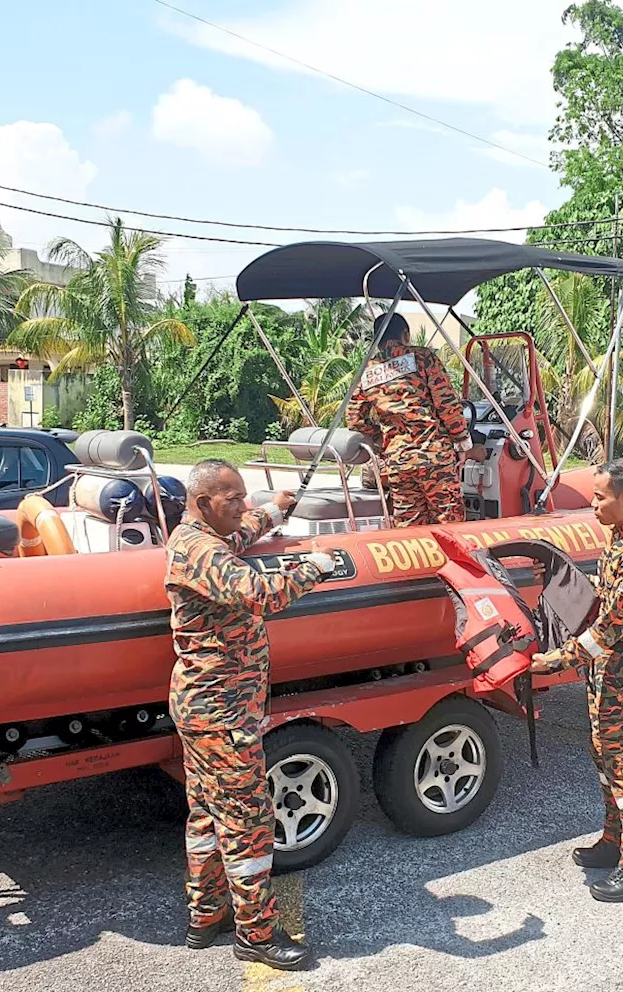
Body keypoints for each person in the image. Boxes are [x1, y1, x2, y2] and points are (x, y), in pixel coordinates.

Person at [166, 458, 338, 971]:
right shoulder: (199, 549)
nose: (241, 505)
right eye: (232, 499)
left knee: (205, 814)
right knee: (248, 823)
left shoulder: (201, 538)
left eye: (244, 496)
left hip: (206, 706)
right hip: (220, 711)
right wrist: (316, 567)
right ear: (202, 504)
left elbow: (236, 537)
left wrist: (271, 511)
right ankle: (257, 936)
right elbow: (260, 593)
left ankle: (206, 915)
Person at [526, 458, 623, 903]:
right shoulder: (620, 541)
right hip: (606, 668)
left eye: (600, 497)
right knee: (603, 755)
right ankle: (615, 842)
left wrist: (554, 661)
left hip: (622, 666)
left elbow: (610, 628)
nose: (593, 505)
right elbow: (604, 595)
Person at [346, 312, 485, 527]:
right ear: (406, 334)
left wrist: (384, 440)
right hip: (434, 457)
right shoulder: (423, 358)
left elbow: (355, 419)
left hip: (398, 462)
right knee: (450, 524)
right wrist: (463, 442)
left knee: (410, 528)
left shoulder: (367, 372)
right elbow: (447, 405)